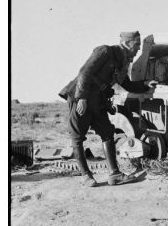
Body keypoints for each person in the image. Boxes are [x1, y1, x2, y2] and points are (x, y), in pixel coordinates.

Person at [59, 31, 157, 187]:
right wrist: (82, 98)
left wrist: (145, 84)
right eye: (137, 44)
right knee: (78, 137)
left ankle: (115, 175)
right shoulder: (105, 51)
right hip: (80, 97)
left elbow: (127, 84)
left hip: (98, 100)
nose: (139, 48)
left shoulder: (123, 62)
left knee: (107, 133)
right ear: (126, 42)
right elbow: (85, 72)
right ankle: (86, 176)